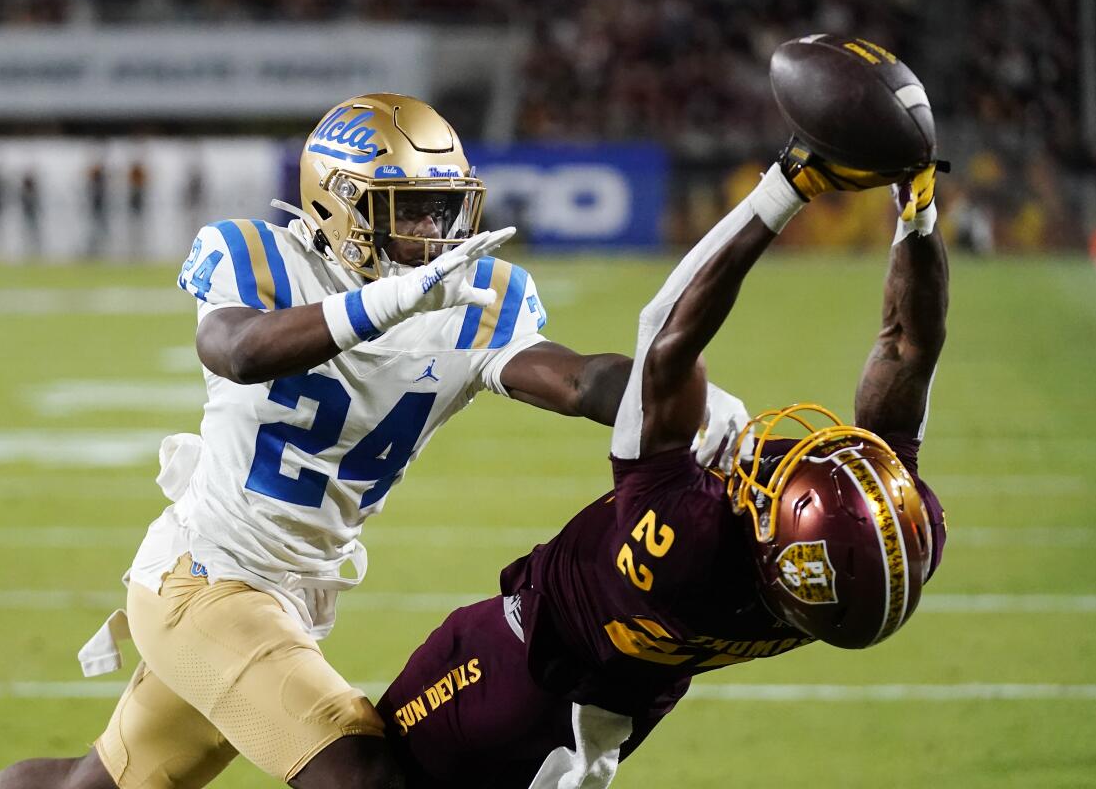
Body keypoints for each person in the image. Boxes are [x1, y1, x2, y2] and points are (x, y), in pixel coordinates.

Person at [0, 93, 744, 789]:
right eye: (407, 209)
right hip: (203, 580)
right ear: (339, 206)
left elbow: (575, 383)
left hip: (288, 597)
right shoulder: (262, 259)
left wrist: (673, 395)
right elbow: (238, 351)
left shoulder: (465, 298)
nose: (431, 233)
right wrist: (388, 303)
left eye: (442, 210)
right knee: (363, 773)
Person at [376, 141, 951, 789]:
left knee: (366, 772)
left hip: (518, 666)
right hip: (620, 714)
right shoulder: (893, 544)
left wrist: (787, 185)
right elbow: (907, 350)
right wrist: (918, 213)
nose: (779, 459)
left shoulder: (687, 543)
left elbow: (667, 331)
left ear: (770, 537)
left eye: (784, 479)